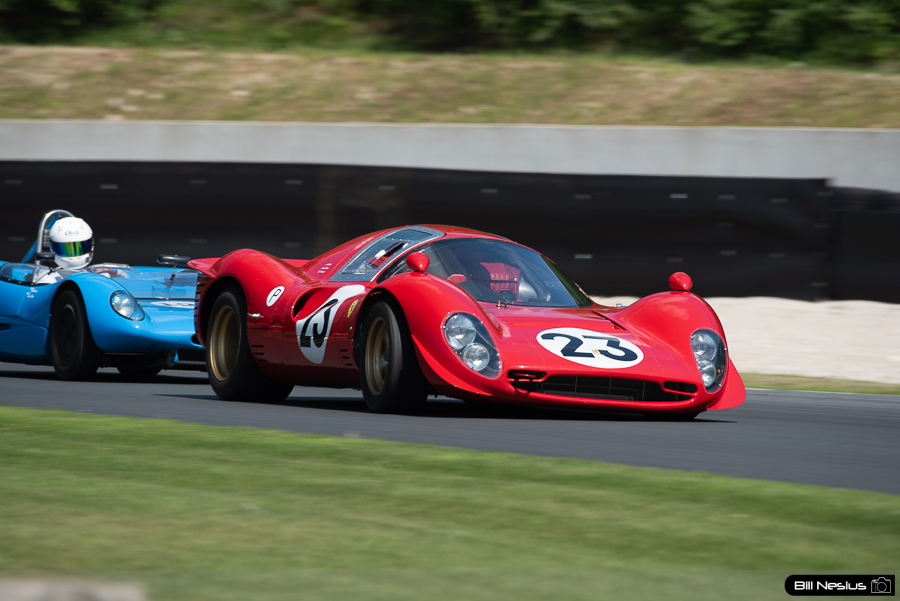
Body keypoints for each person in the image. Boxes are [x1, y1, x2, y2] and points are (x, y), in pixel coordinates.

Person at [33, 217, 94, 284]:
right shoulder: (47, 278)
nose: (73, 254)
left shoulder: (101, 274)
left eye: (80, 248)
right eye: (66, 249)